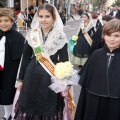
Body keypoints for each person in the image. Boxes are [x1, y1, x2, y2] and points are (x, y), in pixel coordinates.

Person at [13, 3, 71, 120]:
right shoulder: (32, 34)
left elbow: (65, 61)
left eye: (47, 16)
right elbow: (25, 58)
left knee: (47, 108)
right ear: (37, 17)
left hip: (49, 79)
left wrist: (67, 82)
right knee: (30, 107)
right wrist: (20, 79)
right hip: (31, 77)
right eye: (41, 16)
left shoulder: (60, 36)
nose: (43, 20)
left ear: (53, 17)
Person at [75, 19, 120, 120]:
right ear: (103, 36)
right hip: (94, 103)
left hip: (116, 106)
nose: (112, 39)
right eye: (108, 35)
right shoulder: (96, 55)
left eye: (116, 36)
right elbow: (85, 90)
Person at [0, 8, 25, 120]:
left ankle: (14, 114)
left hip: (12, 70)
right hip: (0, 69)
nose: (3, 24)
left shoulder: (19, 38)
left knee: (10, 92)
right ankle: (6, 114)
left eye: (6, 20)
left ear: (12, 21)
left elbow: (24, 57)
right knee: (3, 94)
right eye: (0, 21)